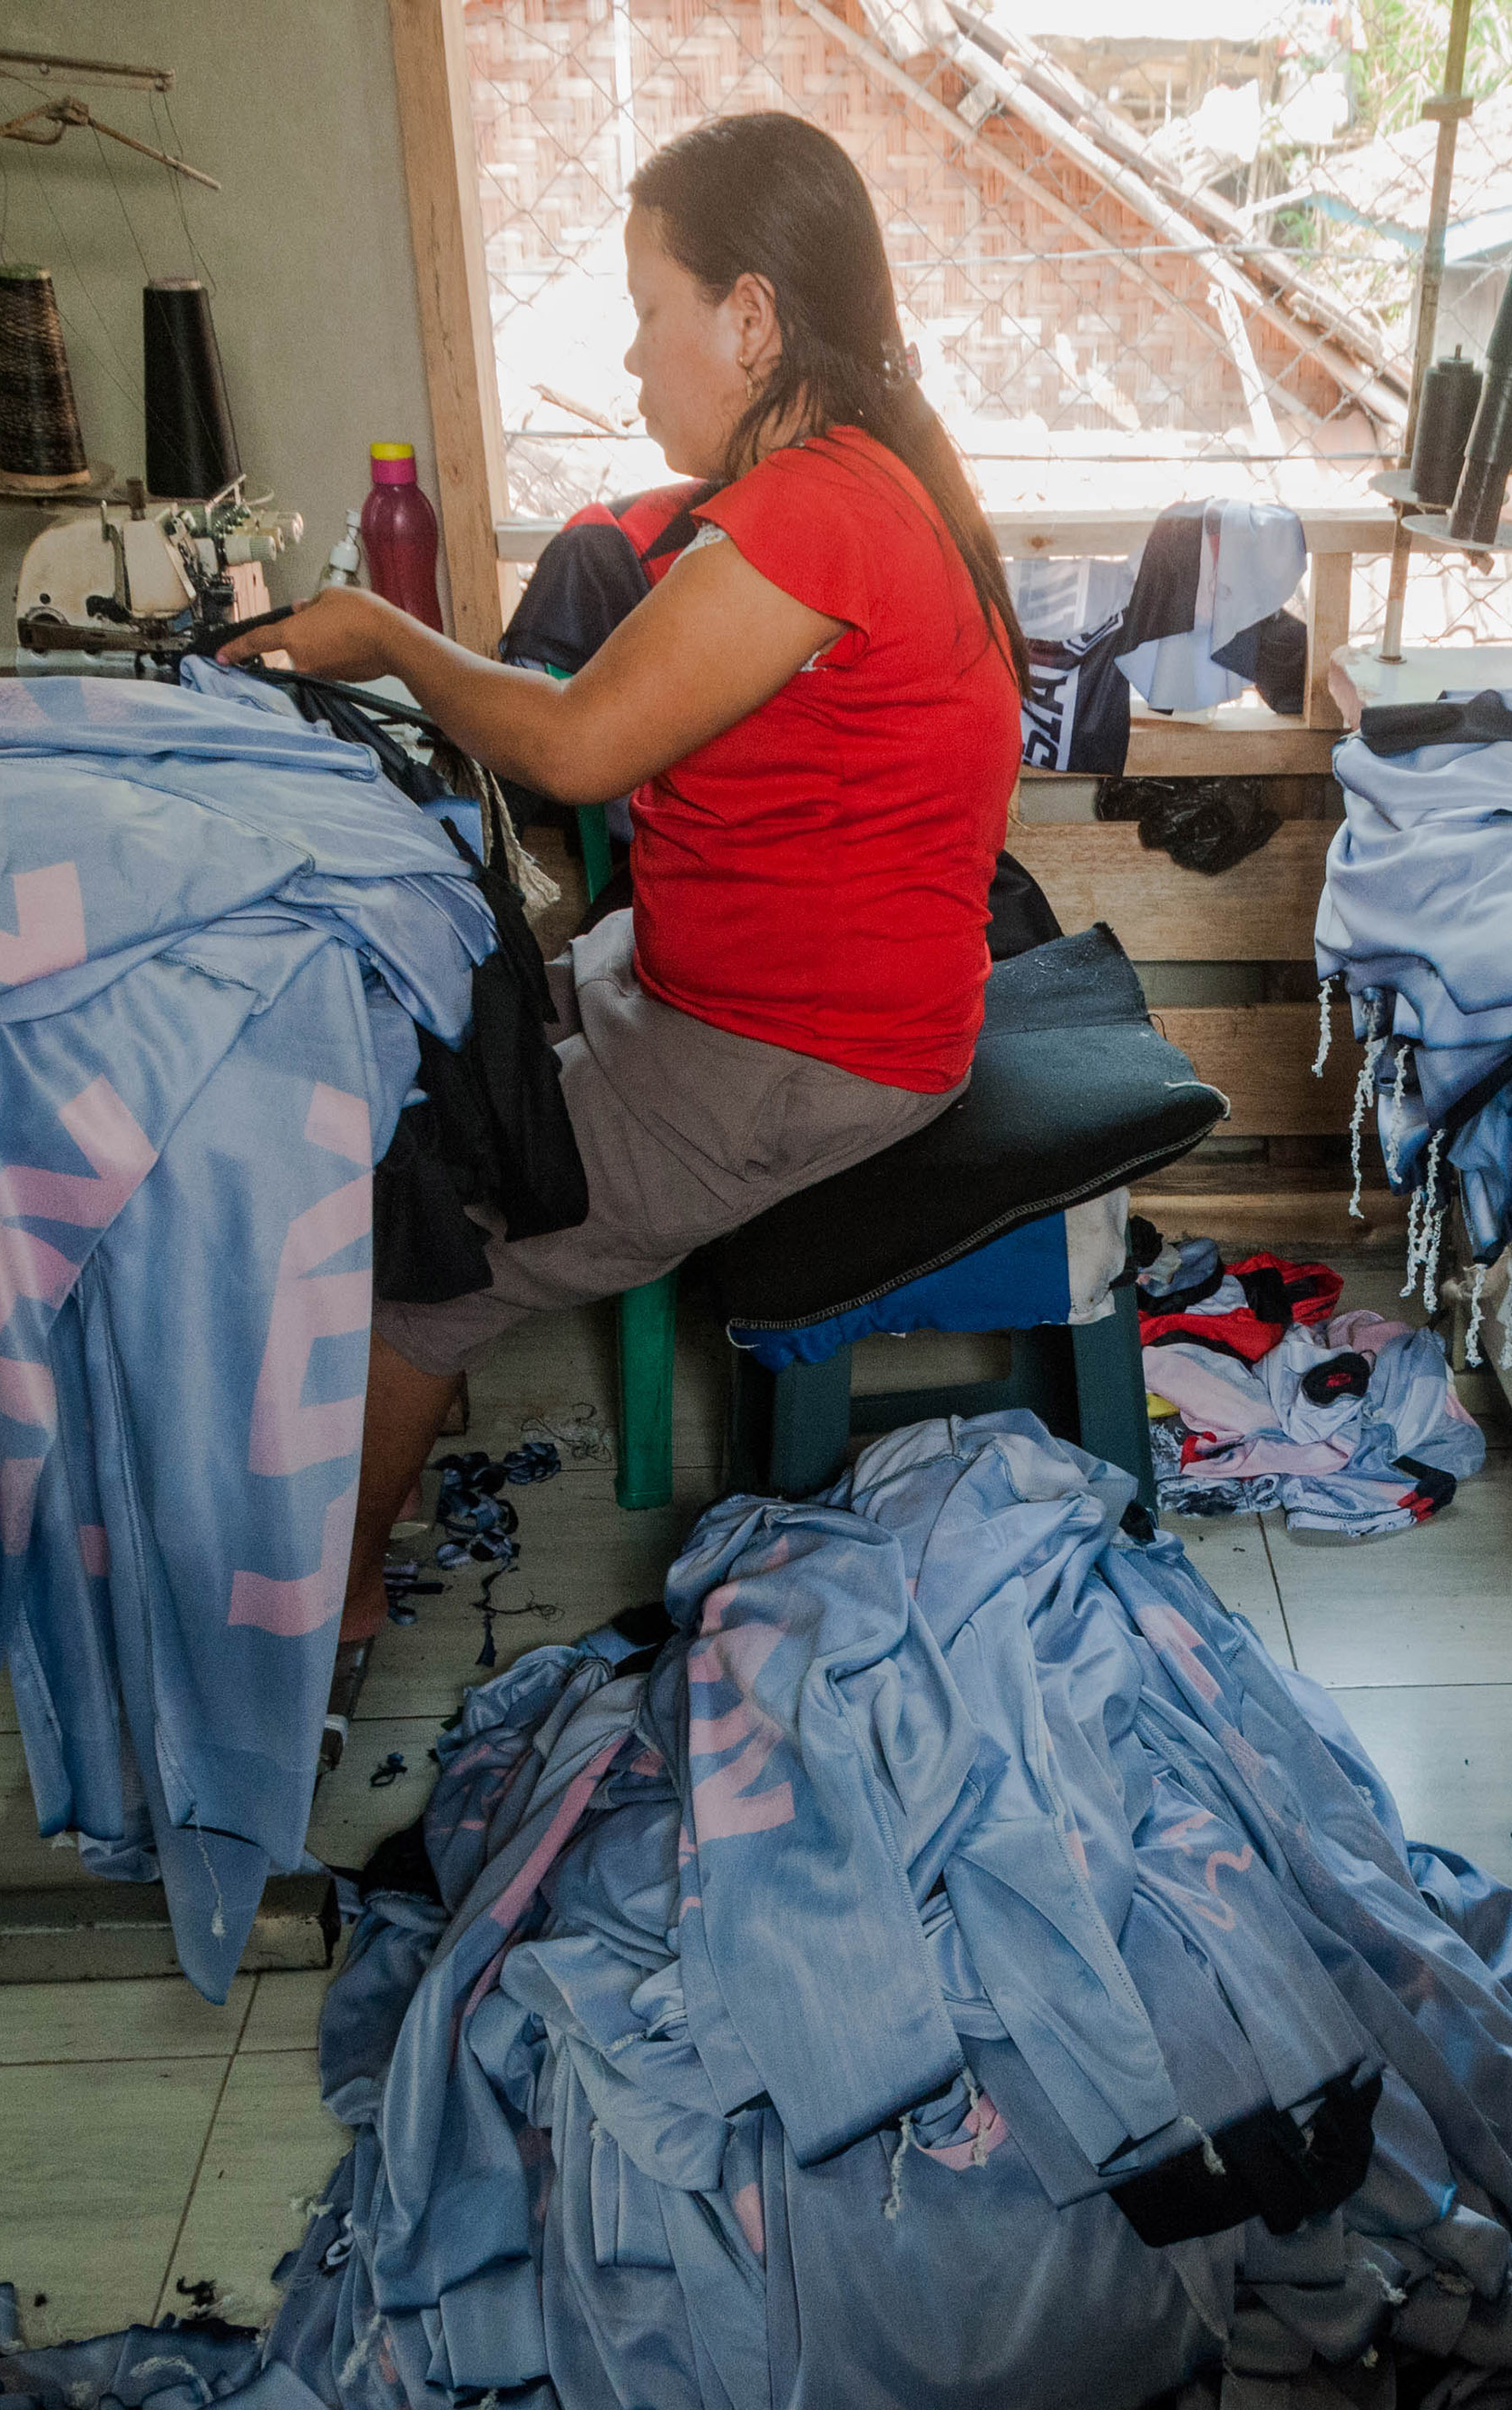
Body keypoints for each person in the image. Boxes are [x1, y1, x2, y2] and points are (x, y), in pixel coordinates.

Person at [219, 111, 1027, 1658]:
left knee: (422, 1253)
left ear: (752, 317)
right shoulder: (861, 477)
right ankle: (375, 1444)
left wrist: (384, 636)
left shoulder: (821, 511)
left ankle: (328, 1606)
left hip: (796, 1052)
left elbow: (581, 745)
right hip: (750, 989)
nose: (638, 352)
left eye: (652, 308)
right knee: (447, 1057)